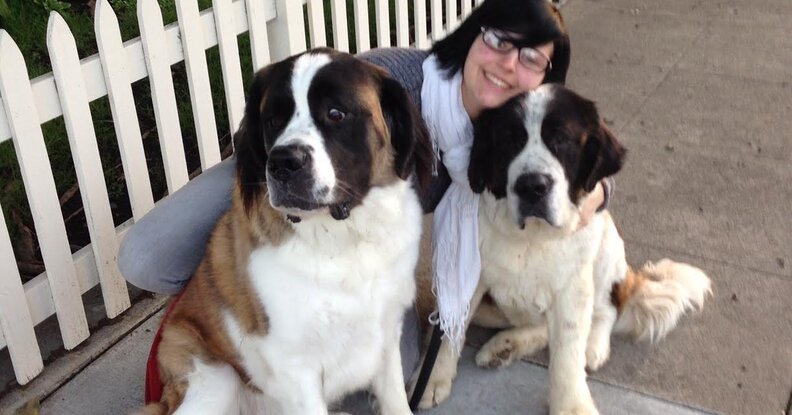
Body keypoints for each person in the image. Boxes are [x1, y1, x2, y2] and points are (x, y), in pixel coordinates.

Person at [121, 0, 611, 400]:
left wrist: (596, 193)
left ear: (546, 79)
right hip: (281, 171)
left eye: (531, 58)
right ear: (473, 35)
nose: (508, 63)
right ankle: (226, 323)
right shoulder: (396, 78)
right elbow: (310, 99)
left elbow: (584, 147)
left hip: (355, 241)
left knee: (397, 365)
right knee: (147, 257)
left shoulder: (515, 126)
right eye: (500, 40)